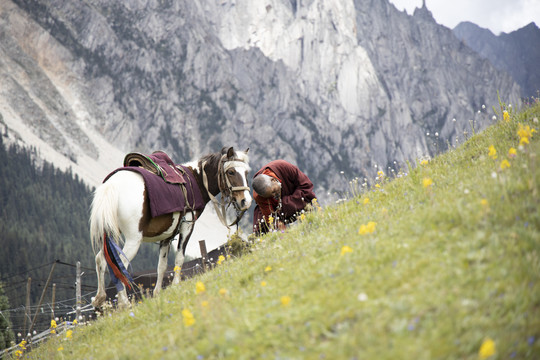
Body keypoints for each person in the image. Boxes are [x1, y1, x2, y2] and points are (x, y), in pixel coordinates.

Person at [252, 159, 317, 234]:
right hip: (274, 208)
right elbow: (271, 218)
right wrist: (285, 236)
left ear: (273, 180)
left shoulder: (284, 167)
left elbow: (306, 186)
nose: (273, 195)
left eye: (273, 191)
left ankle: (311, 228)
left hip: (295, 196)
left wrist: (285, 204)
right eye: (270, 196)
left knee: (304, 197)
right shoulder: (258, 195)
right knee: (263, 223)